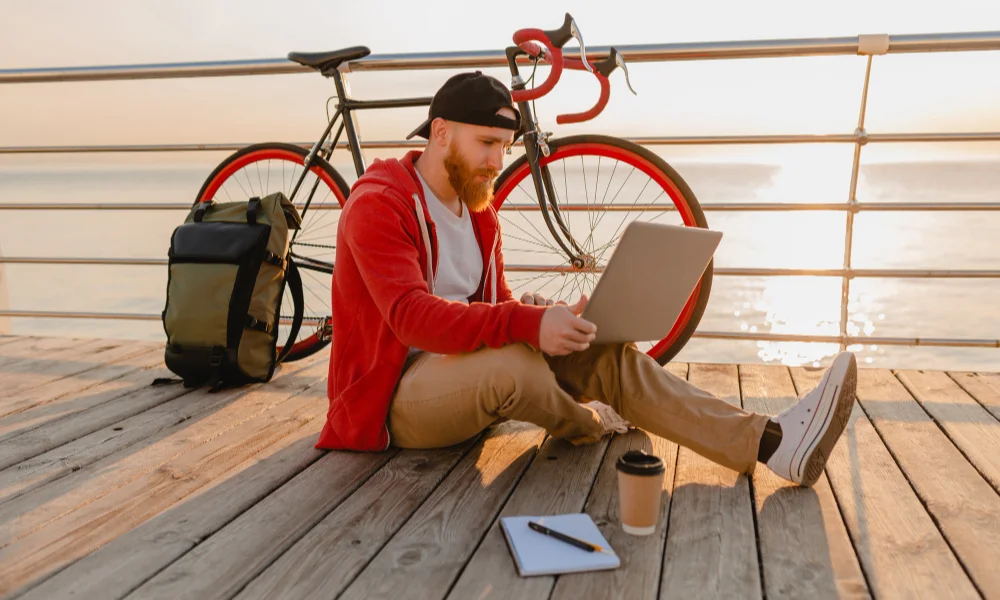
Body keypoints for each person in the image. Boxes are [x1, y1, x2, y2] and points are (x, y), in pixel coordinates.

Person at [317, 71, 857, 487]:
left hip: (466, 375)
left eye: (504, 147)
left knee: (606, 352)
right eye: (486, 143)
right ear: (440, 133)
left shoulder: (479, 210)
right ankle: (588, 423)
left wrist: (540, 313)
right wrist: (524, 324)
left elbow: (488, 304)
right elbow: (413, 319)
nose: (496, 161)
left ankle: (773, 443)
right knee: (515, 366)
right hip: (393, 401)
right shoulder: (380, 204)